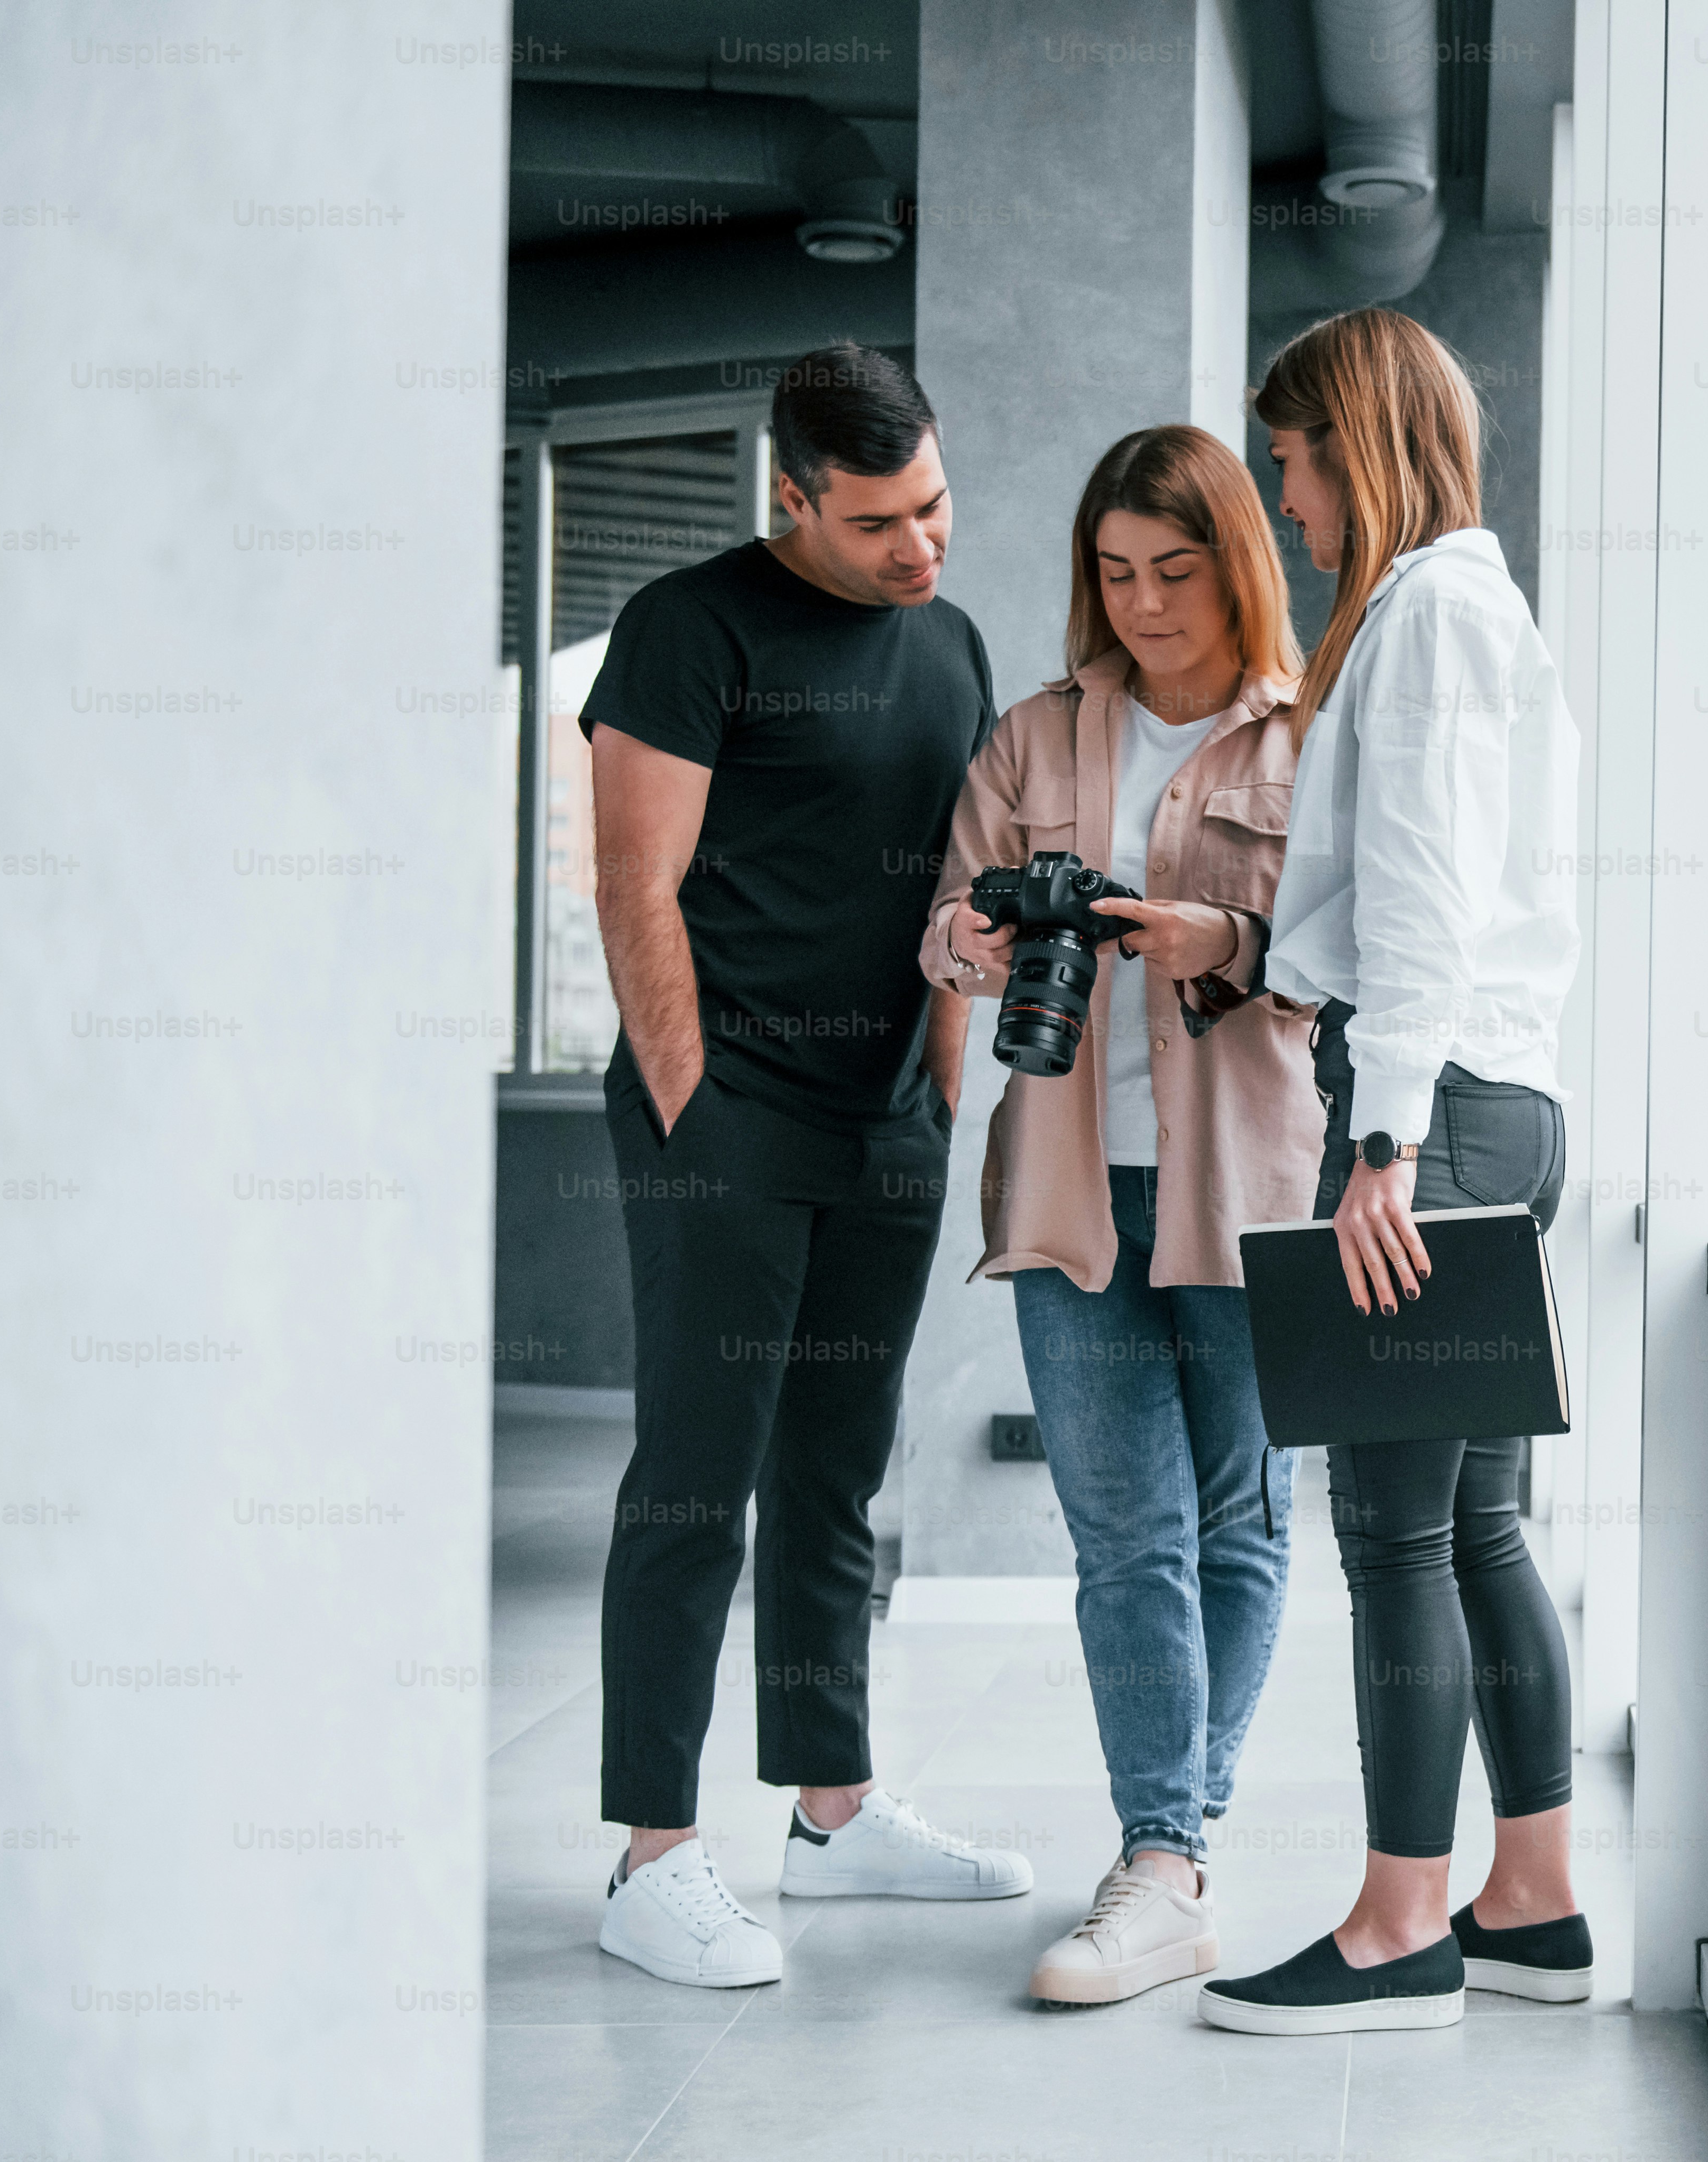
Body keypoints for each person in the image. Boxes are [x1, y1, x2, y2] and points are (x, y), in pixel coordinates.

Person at [584, 344, 1033, 1991]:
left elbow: (955, 879)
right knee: (699, 1476)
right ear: (794, 498)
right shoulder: (686, 628)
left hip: (881, 1122)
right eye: (879, 523)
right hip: (730, 1116)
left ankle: (833, 1813)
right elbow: (637, 886)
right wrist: (697, 1109)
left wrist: (935, 1092)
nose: (923, 547)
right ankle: (651, 1854)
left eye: (935, 504)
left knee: (840, 1473)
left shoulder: (954, 640)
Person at [1196, 310, 1589, 2036]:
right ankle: (1533, 1900)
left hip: (1436, 1114)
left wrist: (1381, 1143)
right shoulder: (1476, 609)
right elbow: (1410, 897)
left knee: (1396, 1534)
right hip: (1507, 1099)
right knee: (1482, 1522)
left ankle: (1398, 1929)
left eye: (1289, 460)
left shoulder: (1426, 612)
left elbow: (1422, 891)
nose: (1285, 500)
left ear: (1353, 441)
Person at [920, 425, 1324, 2007]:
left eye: (1177, 569)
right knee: (1123, 1535)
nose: (1146, 605)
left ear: (1238, 562)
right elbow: (947, 930)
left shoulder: (1312, 736)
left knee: (1247, 1514)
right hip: (1075, 1180)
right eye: (1114, 572)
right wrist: (972, 935)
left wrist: (1213, 926)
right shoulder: (1034, 737)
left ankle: (1173, 1848)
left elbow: (1351, 947)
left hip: (1256, 1182)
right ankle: (1165, 1851)